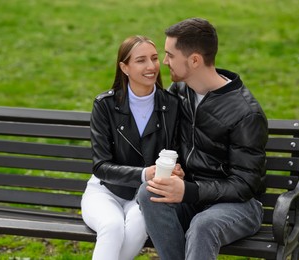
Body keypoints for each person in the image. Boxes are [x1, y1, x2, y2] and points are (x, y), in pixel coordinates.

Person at [137, 18, 268, 260]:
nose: (164, 62)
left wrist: (190, 191)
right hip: (192, 195)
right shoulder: (181, 92)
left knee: (203, 224)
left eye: (170, 55)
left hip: (238, 206)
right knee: (149, 193)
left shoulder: (245, 113)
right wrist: (176, 171)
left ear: (194, 60)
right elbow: (170, 141)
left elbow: (245, 185)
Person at [81, 35, 181, 260]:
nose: (151, 66)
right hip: (106, 191)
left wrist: (178, 169)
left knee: (137, 228)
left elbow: (177, 152)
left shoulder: (172, 105)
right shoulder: (105, 105)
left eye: (154, 58)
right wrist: (145, 173)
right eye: (141, 60)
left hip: (146, 197)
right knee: (112, 227)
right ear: (124, 67)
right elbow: (101, 166)